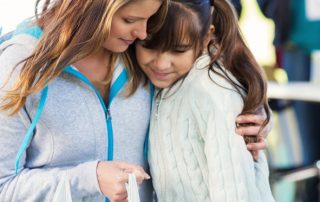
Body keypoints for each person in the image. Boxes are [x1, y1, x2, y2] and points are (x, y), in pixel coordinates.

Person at [0, 0, 270, 201]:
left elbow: (201, 60)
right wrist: (88, 179)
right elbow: (4, 186)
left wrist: (248, 110)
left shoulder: (136, 56)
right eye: (130, 20)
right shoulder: (20, 66)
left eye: (149, 20)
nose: (142, 33)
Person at [132, 0, 275, 201]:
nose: (162, 64)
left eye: (179, 50)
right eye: (149, 46)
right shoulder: (166, 81)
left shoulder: (212, 89)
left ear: (207, 35)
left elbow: (234, 191)